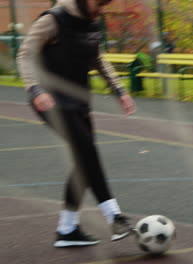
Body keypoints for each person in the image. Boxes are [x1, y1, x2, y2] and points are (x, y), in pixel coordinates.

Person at [17, 0, 136, 247]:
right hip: (50, 100)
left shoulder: (91, 21)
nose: (100, 9)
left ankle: (67, 230)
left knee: (83, 162)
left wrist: (119, 89)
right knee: (87, 151)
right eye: (98, 4)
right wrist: (35, 89)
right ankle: (113, 216)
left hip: (79, 101)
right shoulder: (53, 19)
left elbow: (98, 58)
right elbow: (25, 54)